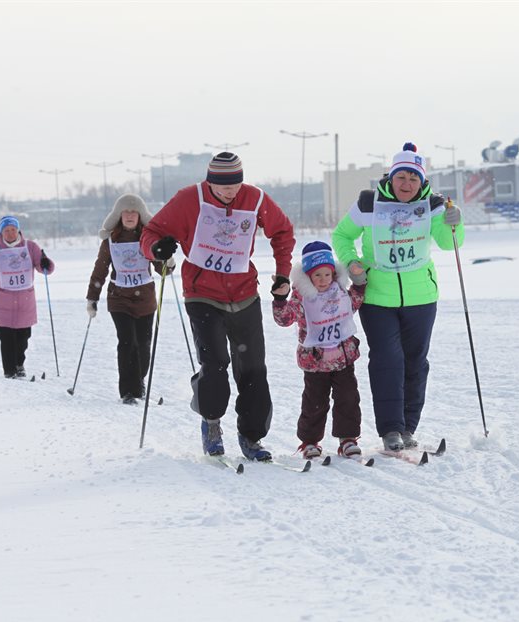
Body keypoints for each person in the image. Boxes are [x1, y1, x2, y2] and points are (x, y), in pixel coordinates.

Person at [140, 152, 296, 461]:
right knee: (215, 365)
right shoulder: (189, 199)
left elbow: (283, 231)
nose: (231, 193)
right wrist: (156, 249)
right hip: (202, 293)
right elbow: (151, 233)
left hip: (245, 293)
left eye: (236, 185)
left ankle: (251, 437)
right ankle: (211, 424)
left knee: (253, 369)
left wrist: (282, 273)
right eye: (224, 187)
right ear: (210, 182)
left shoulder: (254, 198)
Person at [331, 142, 464, 451]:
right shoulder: (368, 202)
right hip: (378, 296)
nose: (406, 184)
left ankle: (408, 427)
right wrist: (352, 263)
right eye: (401, 177)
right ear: (391, 177)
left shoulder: (434, 204)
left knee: (416, 362)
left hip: (421, 296)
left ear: (423, 181)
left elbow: (448, 244)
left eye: (413, 179)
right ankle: (391, 429)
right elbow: (342, 235)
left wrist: (454, 220)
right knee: (387, 360)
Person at [273, 241, 366, 460]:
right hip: (315, 362)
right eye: (317, 276)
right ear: (308, 277)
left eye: (327, 274)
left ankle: (348, 439)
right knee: (314, 402)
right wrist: (279, 299)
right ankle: (310, 441)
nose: (323, 280)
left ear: (333, 274)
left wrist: (360, 284)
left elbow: (355, 302)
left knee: (348, 398)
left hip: (343, 358)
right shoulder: (301, 297)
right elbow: (285, 319)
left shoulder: (340, 291)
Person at [86, 193, 174, 405]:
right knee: (127, 343)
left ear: (140, 216)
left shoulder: (148, 239)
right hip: (119, 300)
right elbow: (100, 270)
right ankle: (129, 391)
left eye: (134, 212)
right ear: (118, 215)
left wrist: (167, 259)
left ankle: (139, 381)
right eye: (125, 211)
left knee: (143, 344)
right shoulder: (110, 241)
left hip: (145, 300)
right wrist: (92, 298)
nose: (129, 215)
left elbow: (161, 269)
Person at [0, 215, 55, 378]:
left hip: (25, 301)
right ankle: (10, 370)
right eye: (6, 230)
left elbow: (43, 268)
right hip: (2, 301)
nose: (10, 233)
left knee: (23, 338)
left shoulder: (30, 247)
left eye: (13, 230)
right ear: (1, 233)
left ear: (18, 230)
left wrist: (46, 263)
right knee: (6, 339)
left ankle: (19, 364)